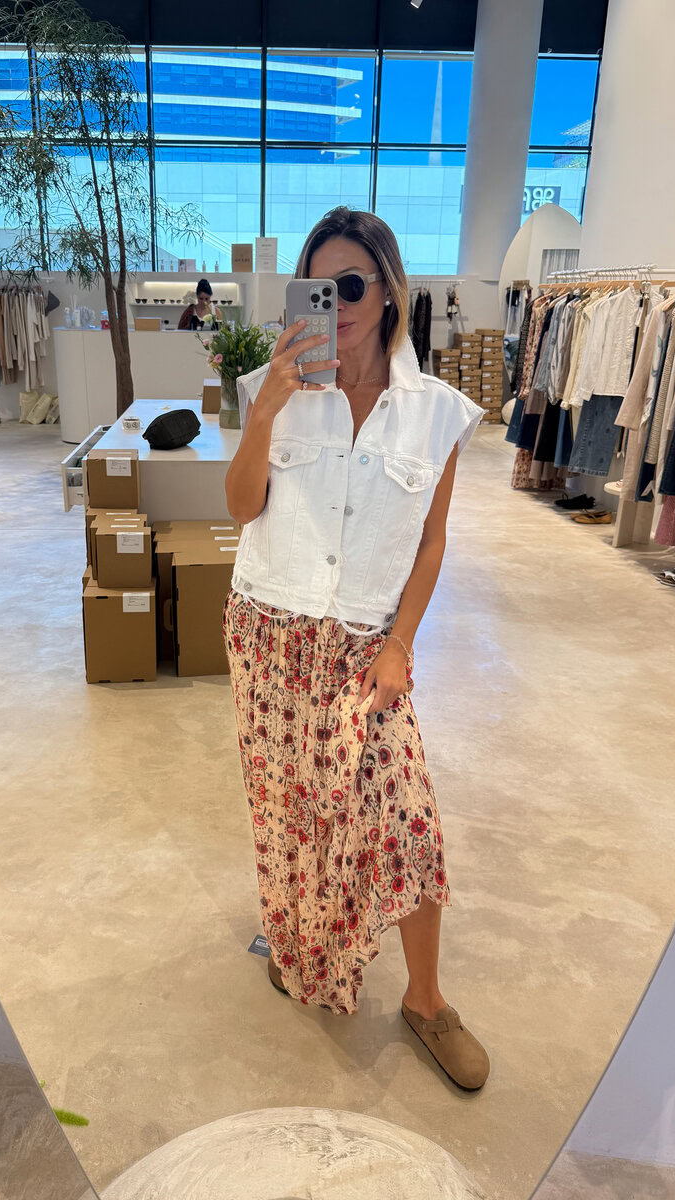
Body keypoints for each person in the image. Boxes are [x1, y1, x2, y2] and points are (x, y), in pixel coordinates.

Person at [223, 207, 489, 1091]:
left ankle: (427, 999)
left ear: (388, 294)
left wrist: (401, 643)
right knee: (291, 815)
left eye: (350, 286)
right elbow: (241, 506)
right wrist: (264, 411)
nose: (333, 305)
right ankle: (297, 944)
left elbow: (432, 543)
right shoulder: (273, 389)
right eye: (318, 287)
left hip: (365, 651)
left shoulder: (437, 415)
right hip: (271, 634)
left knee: (407, 818)